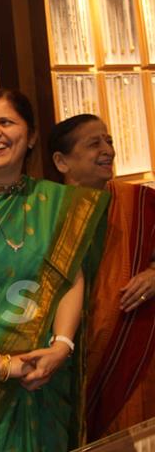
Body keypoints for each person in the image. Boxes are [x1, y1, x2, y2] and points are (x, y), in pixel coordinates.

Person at [0, 89, 109, 451]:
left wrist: (62, 345)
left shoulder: (55, 202)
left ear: (30, 136)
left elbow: (70, 276)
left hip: (42, 374)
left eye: (6, 122)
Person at [50, 114, 155, 439]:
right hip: (63, 359)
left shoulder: (141, 202)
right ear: (62, 161)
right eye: (94, 143)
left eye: (108, 140)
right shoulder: (46, 211)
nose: (107, 149)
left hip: (133, 353)